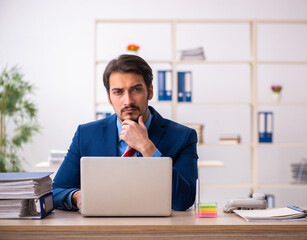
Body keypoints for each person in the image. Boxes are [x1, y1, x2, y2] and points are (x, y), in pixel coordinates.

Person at [52, 54, 198, 211]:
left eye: (136, 90)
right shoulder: (86, 134)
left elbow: (184, 200)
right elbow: (56, 191)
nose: (128, 101)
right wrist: (76, 197)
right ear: (108, 97)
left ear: (150, 91)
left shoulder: (183, 137)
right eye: (118, 92)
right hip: (101, 230)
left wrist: (147, 148)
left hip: (156, 230)